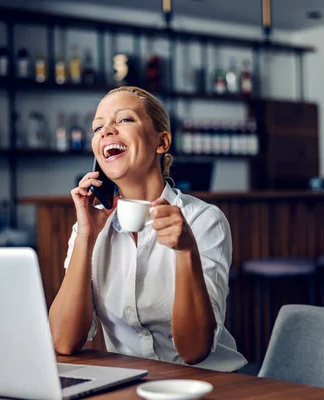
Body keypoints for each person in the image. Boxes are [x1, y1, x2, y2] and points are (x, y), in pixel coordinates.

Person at [48, 86, 247, 372]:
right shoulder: (90, 228)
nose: (106, 131)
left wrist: (186, 251)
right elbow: (64, 342)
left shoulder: (203, 220)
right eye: (98, 127)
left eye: (125, 119)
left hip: (210, 384)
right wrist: (86, 237)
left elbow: (195, 351)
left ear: (161, 141)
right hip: (136, 387)